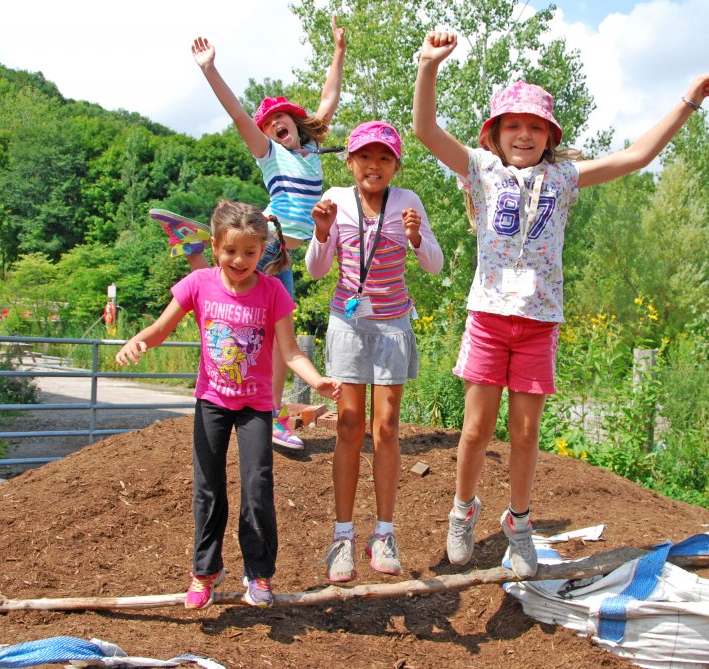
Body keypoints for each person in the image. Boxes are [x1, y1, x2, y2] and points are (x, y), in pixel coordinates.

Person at [412, 30, 709, 578]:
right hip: (488, 318)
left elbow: (636, 156)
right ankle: (463, 509)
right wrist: (429, 66)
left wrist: (688, 103)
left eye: (534, 127)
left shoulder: (565, 177)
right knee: (477, 430)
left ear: (549, 136)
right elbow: (425, 130)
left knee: (526, 433)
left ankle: (519, 522)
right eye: (513, 125)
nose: (523, 135)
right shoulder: (481, 170)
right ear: (497, 133)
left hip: (538, 324)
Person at [117, 201, 342, 608]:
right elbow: (161, 328)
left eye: (251, 253)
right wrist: (139, 341)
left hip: (256, 406)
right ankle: (205, 571)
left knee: (257, 488)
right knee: (208, 490)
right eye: (231, 251)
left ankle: (259, 574)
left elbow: (290, 352)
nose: (240, 261)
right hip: (212, 403)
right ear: (216, 246)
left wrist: (317, 381)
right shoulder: (199, 283)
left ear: (263, 252)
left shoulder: (272, 291)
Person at [158, 16, 347, 451]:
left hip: (283, 252)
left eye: (282, 118)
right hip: (270, 237)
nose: (275, 124)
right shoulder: (270, 154)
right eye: (269, 123)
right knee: (224, 299)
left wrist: (338, 52)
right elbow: (237, 112)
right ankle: (193, 248)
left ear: (296, 124)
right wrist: (209, 69)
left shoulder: (312, 149)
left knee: (282, 328)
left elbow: (329, 98)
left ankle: (273, 413)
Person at [307, 121, 443, 581]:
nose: (374, 165)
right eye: (366, 156)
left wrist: (417, 237)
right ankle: (341, 537)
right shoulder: (336, 200)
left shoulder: (408, 203)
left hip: (390, 326)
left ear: (396, 166)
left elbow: (435, 264)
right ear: (350, 162)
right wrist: (322, 233)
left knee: (386, 428)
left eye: (385, 158)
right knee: (348, 426)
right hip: (348, 324)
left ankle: (383, 532)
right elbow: (314, 269)